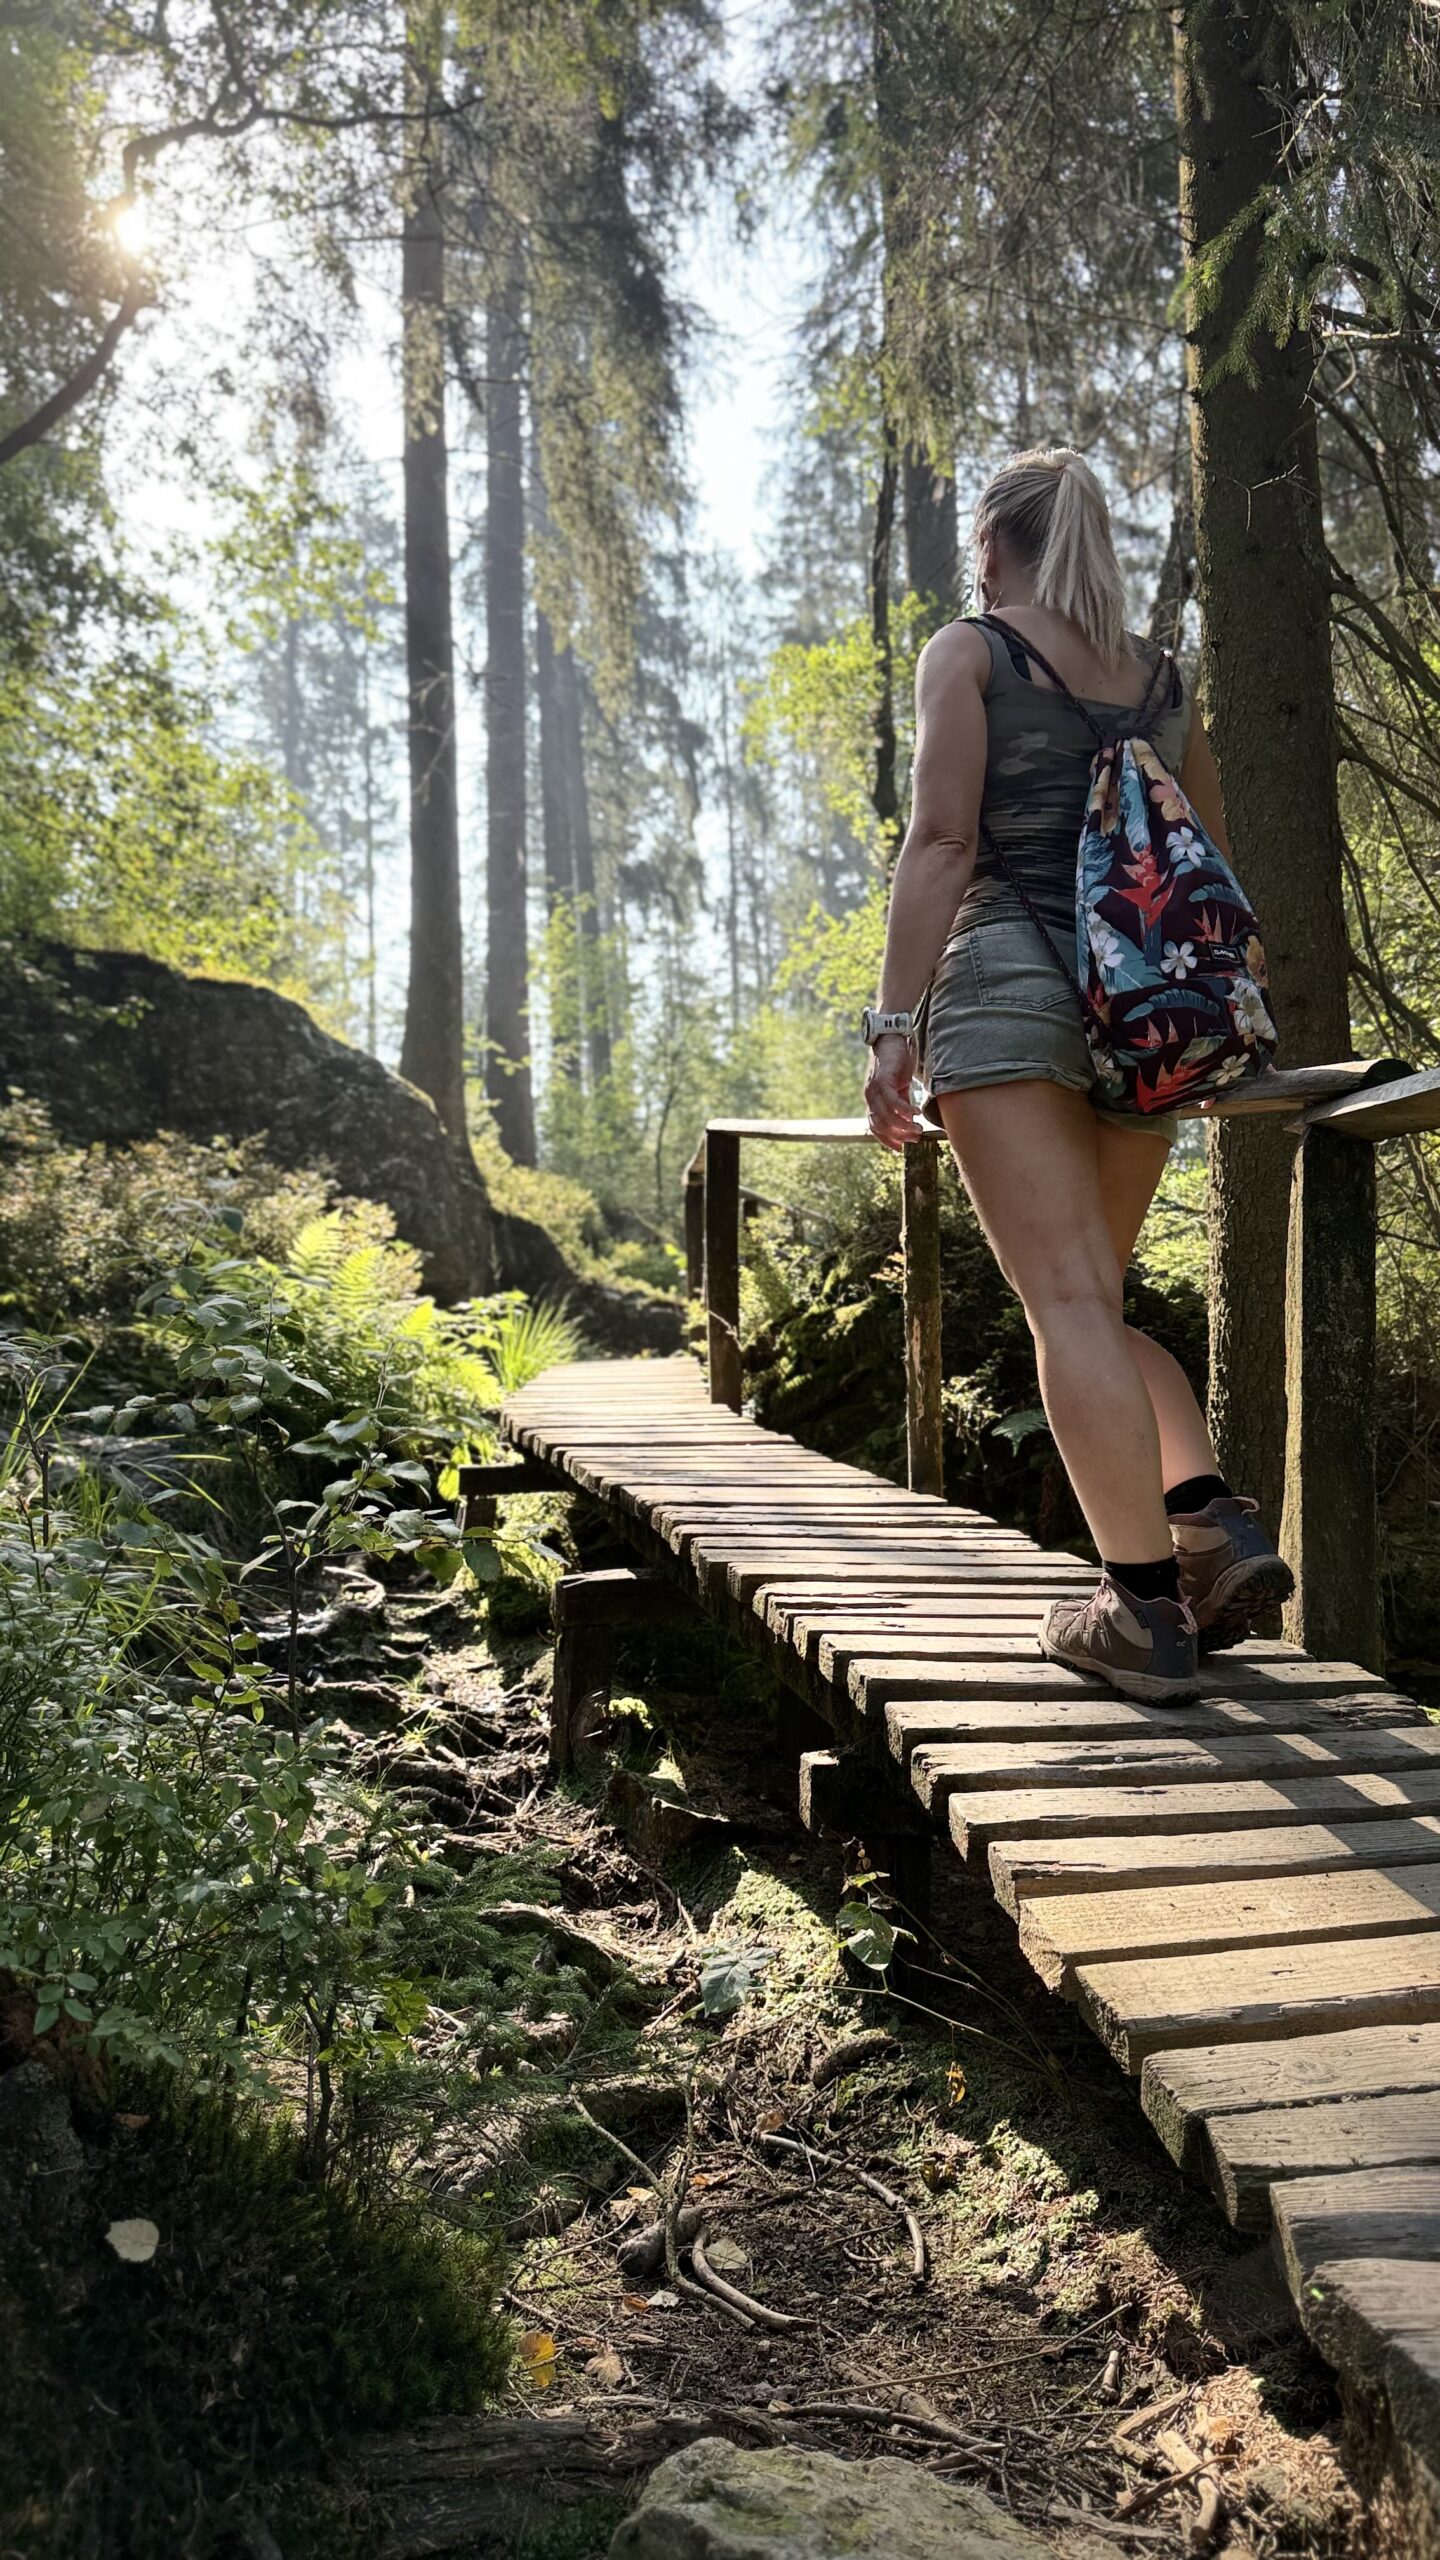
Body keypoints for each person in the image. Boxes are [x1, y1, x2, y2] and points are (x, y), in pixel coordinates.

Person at [862, 446, 1292, 1703]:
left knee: (1061, 1306)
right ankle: (1209, 1518)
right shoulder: (1165, 680)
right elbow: (1211, 867)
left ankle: (1142, 1610)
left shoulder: (975, 650)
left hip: (1006, 989)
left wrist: (893, 1025)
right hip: (1146, 1011)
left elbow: (944, 836)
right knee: (1089, 1300)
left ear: (994, 545)